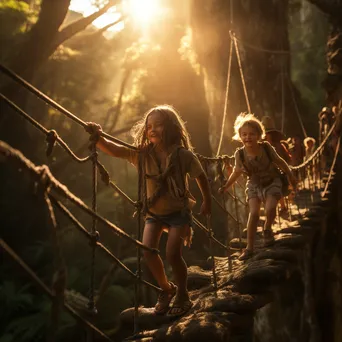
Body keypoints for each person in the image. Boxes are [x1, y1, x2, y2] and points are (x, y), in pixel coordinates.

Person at [86, 105, 211, 317]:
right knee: (147, 251)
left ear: (171, 128)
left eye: (159, 125)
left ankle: (182, 293)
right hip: (154, 213)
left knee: (173, 253)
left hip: (178, 214)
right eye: (149, 126)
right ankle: (166, 288)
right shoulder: (143, 155)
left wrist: (206, 200)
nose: (152, 130)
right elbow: (116, 150)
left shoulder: (183, 155)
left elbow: (201, 176)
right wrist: (98, 138)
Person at [219, 113, 297, 260]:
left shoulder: (266, 148)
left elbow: (280, 161)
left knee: (270, 208)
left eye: (252, 134)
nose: (248, 137)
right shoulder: (239, 154)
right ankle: (249, 248)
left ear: (259, 135)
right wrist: (226, 186)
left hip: (272, 182)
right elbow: (236, 172)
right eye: (244, 134)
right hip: (254, 185)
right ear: (239, 136)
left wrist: (290, 175)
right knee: (254, 213)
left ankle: (267, 227)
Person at [261, 116, 292, 216]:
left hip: (277, 173)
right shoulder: (260, 147)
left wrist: (285, 169)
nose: (266, 137)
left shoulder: (278, 146)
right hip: (265, 173)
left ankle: (281, 208)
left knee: (277, 191)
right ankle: (278, 209)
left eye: (267, 134)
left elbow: (286, 159)